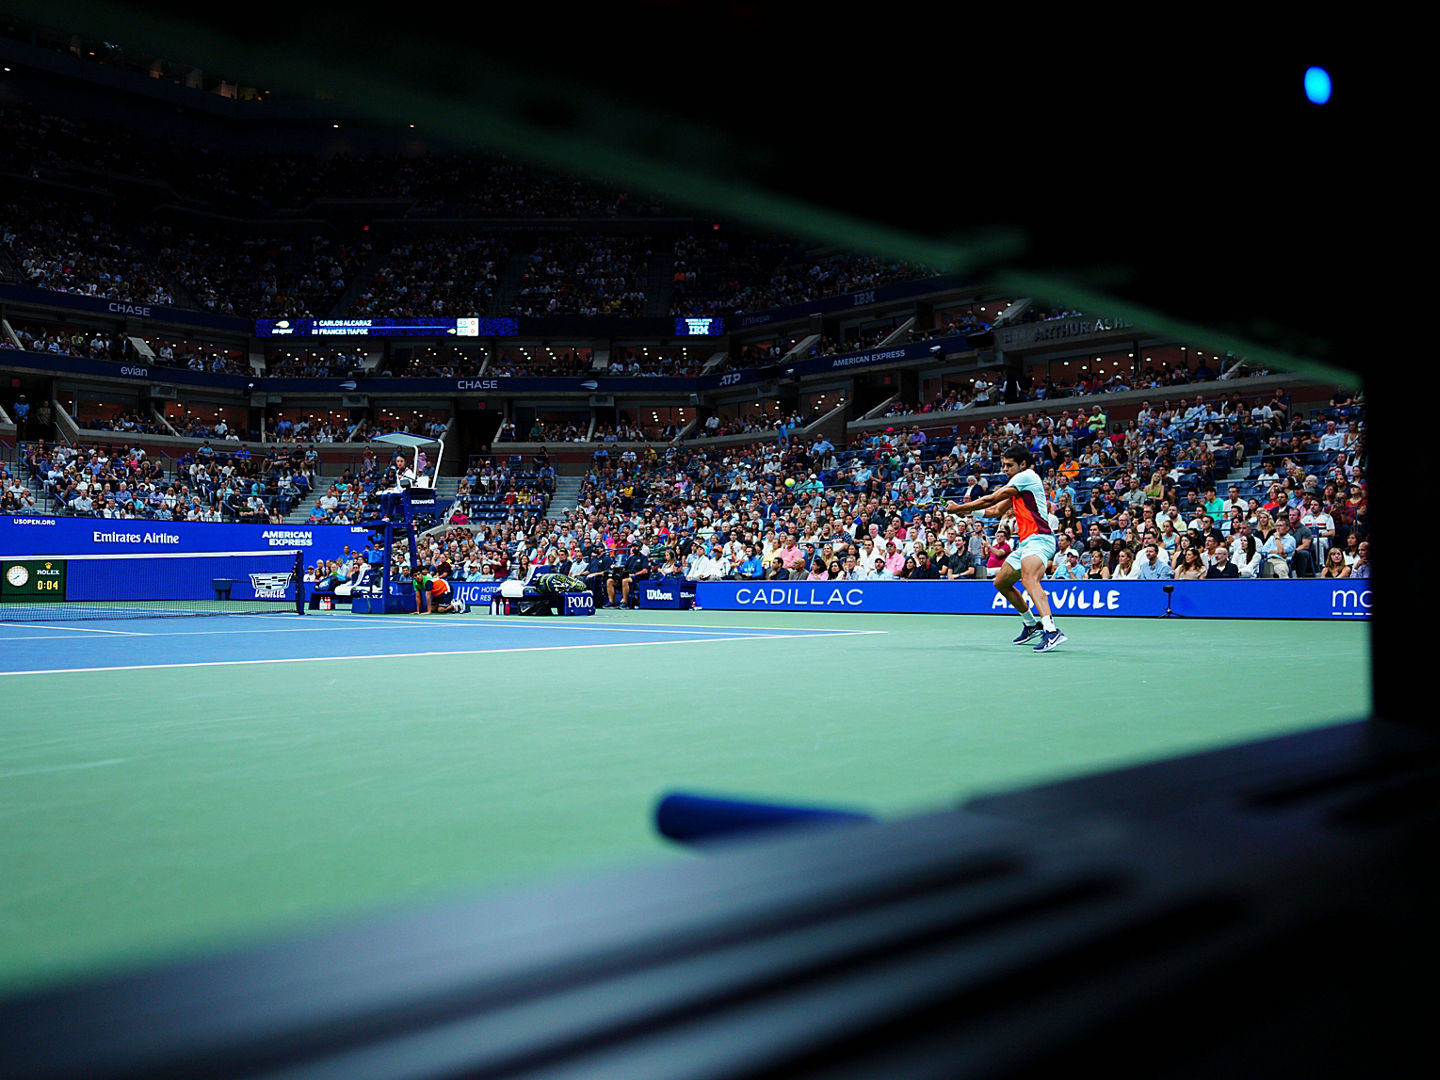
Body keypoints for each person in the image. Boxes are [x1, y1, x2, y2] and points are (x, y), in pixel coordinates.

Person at [945, 443, 1065, 652]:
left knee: (1029, 579)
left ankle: (1051, 631)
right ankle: (1031, 624)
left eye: (1010, 465)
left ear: (1023, 464)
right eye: (1004, 465)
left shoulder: (1026, 476)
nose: (1006, 469)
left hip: (1041, 539)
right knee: (1001, 583)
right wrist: (968, 513)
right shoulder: (1018, 487)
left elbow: (991, 498)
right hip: (1025, 543)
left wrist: (961, 508)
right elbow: (995, 510)